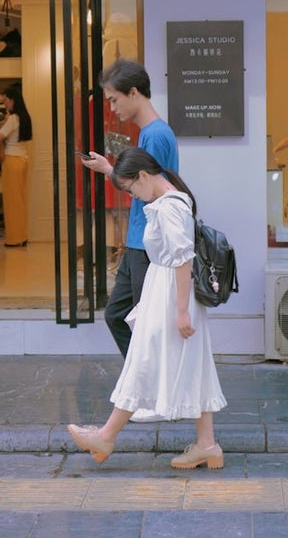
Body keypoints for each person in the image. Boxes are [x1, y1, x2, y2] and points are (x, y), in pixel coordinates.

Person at [67, 147, 227, 469]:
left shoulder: (169, 207)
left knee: (143, 360)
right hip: (168, 292)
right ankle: (207, 444)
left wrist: (181, 311)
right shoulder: (171, 199)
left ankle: (107, 436)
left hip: (169, 296)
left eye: (131, 189)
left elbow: (183, 259)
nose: (134, 197)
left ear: (142, 176)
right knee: (189, 363)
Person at [81, 59, 178, 358]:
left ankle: (145, 385)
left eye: (114, 100)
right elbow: (145, 186)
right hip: (139, 242)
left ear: (133, 92)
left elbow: (150, 192)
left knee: (142, 324)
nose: (112, 109)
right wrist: (110, 169)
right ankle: (141, 383)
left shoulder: (154, 135)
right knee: (119, 316)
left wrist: (110, 171)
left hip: (147, 245)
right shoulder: (152, 133)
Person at [0, 83, 32, 247]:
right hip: (23, 160)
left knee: (12, 202)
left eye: (6, 100)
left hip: (12, 161)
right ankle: (22, 235)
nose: (4, 103)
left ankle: (14, 239)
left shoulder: (13, 118)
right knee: (20, 200)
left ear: (13, 100)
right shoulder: (23, 117)